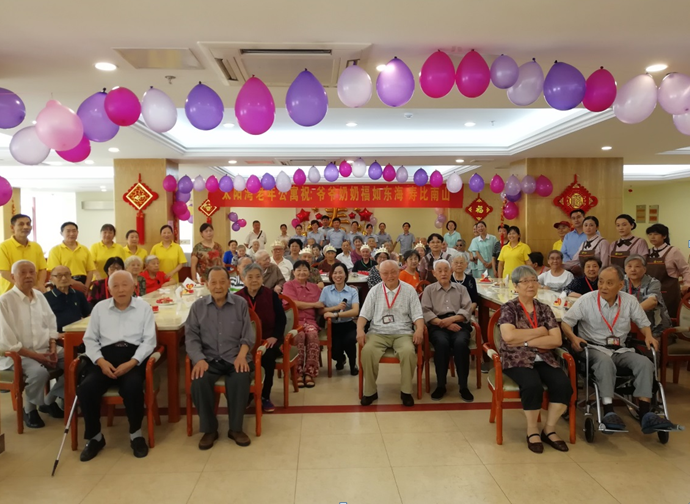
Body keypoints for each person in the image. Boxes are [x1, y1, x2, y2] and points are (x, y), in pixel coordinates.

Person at [561, 266, 673, 435]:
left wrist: (649, 336)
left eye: (609, 283)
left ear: (620, 285)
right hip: (593, 347)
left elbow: (643, 323)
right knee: (605, 362)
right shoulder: (586, 300)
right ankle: (608, 411)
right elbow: (566, 323)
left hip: (621, 349)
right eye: (601, 282)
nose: (603, 287)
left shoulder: (629, 301)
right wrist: (573, 338)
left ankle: (645, 413)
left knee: (645, 363)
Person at [78, 270, 156, 461]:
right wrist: (100, 361)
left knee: (133, 387)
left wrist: (132, 362)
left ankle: (136, 435)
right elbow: (89, 339)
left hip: (132, 359)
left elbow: (149, 341)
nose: (121, 290)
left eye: (125, 285)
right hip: (105, 359)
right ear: (109, 289)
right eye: (115, 286)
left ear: (133, 287)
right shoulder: (100, 308)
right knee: (86, 388)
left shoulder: (144, 307)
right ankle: (95, 437)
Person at [498, 265, 573, 453]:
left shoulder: (544, 309)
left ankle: (549, 429)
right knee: (532, 385)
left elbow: (556, 340)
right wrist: (540, 331)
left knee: (563, 384)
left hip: (544, 357)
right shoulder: (509, 308)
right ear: (516, 286)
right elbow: (508, 336)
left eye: (534, 280)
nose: (531, 285)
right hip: (516, 359)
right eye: (525, 281)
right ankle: (532, 430)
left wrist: (525, 341)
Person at [185, 267, 255, 450]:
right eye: (213, 282)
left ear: (229, 283)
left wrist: (242, 356)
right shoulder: (197, 307)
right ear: (207, 285)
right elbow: (191, 338)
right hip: (208, 358)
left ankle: (236, 429)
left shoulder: (240, 304)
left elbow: (248, 335)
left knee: (240, 378)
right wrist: (199, 359)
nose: (218, 286)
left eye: (222, 282)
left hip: (235, 356)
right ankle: (209, 430)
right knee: (199, 381)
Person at [0, 260, 64, 427]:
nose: (28, 275)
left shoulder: (40, 296)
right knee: (39, 373)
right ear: (13, 277)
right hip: (19, 354)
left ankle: (48, 400)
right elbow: (8, 341)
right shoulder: (4, 301)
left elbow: (51, 323)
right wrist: (37, 357)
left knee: (79, 362)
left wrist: (52, 347)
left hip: (45, 348)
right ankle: (30, 410)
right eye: (23, 272)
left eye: (32, 272)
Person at [358, 260, 424, 407]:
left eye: (393, 272)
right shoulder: (374, 291)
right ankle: (370, 391)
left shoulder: (409, 290)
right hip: (378, 332)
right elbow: (364, 315)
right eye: (385, 273)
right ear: (380, 274)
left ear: (399, 271)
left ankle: (406, 391)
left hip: (402, 333)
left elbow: (417, 315)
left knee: (408, 352)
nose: (390, 276)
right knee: (367, 351)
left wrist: (419, 329)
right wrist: (360, 330)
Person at [422, 259, 475, 402]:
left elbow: (467, 310)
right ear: (434, 273)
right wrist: (443, 323)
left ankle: (463, 386)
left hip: (458, 323)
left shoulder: (461, 289)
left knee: (461, 343)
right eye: (439, 271)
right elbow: (426, 311)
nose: (443, 273)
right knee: (441, 343)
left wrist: (451, 320)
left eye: (446, 270)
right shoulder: (429, 290)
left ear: (451, 271)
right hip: (437, 325)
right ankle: (441, 385)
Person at [236, 264, 286, 412]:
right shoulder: (237, 298)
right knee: (240, 359)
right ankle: (247, 395)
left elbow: (281, 319)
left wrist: (275, 337)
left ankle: (265, 396)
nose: (254, 280)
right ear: (243, 279)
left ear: (262, 278)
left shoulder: (271, 295)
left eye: (258, 276)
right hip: (243, 342)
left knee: (267, 358)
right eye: (250, 277)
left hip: (268, 339)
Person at [282, 260, 323, 388]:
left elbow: (321, 305)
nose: (302, 272)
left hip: (310, 321)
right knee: (299, 336)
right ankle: (297, 373)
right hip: (294, 322)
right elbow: (293, 304)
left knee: (312, 335)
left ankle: (310, 372)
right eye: (298, 270)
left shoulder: (315, 287)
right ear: (293, 272)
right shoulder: (288, 285)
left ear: (309, 272)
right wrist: (313, 305)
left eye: (305, 270)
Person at [320, 263, 360, 375]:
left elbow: (355, 311)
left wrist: (336, 315)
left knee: (349, 341)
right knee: (334, 351)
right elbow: (321, 310)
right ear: (331, 275)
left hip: (348, 324)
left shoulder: (352, 291)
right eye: (335, 273)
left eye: (340, 272)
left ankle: (353, 364)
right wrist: (335, 308)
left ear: (346, 274)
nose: (338, 275)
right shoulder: (326, 290)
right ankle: (340, 359)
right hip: (332, 326)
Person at [646, 223, 690, 318]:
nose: (652, 237)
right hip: (651, 292)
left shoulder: (673, 251)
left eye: (656, 234)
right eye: (650, 234)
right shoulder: (648, 252)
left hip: (669, 292)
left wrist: (687, 284)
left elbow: (685, 269)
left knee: (669, 317)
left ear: (664, 236)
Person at [623, 255, 671, 338]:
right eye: (629, 266)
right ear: (625, 269)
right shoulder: (620, 281)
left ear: (644, 269)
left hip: (655, 327)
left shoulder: (653, 282)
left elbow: (652, 301)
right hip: (629, 326)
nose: (633, 269)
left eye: (637, 266)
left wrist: (630, 312)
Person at [0, 214, 47, 295]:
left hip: (33, 291)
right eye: (21, 224)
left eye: (28, 224)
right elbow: (4, 272)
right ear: (12, 227)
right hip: (10, 292)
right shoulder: (4, 246)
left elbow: (42, 269)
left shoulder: (36, 246)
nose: (25, 227)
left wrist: (40, 284)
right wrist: (22, 286)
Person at [47, 221, 96, 291]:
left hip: (83, 283)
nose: (72, 234)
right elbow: (55, 272)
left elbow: (90, 270)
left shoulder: (84, 249)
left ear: (77, 232)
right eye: (68, 231)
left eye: (74, 231)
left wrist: (86, 287)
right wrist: (75, 283)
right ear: (61, 233)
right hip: (64, 283)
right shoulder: (55, 250)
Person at [46, 265, 92, 333]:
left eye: (67, 275)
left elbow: (87, 315)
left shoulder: (79, 295)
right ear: (51, 278)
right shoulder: (46, 298)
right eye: (59, 275)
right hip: (57, 334)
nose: (64, 278)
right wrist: (55, 335)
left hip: (77, 332)